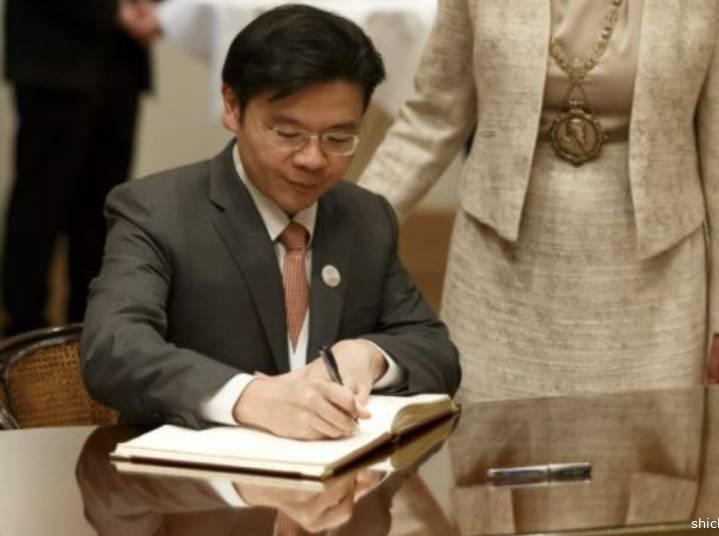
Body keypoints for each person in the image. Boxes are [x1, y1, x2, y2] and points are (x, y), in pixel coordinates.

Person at [80, 5, 461, 438]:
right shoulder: (157, 211)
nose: (313, 158)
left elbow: (435, 350)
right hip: (194, 474)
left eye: (339, 138)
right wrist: (248, 396)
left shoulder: (365, 216)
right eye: (288, 134)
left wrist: (371, 355)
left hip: (338, 473)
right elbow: (113, 348)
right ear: (232, 106)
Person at [359, 0, 719, 401]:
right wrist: (344, 226)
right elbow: (433, 116)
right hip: (501, 276)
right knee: (491, 441)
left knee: (647, 441)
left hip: (657, 284)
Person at [2, 0, 161, 335]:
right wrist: (114, 10)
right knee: (41, 198)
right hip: (53, 50)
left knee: (104, 201)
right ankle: (24, 331)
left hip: (121, 58)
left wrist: (153, 9)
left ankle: (88, 325)